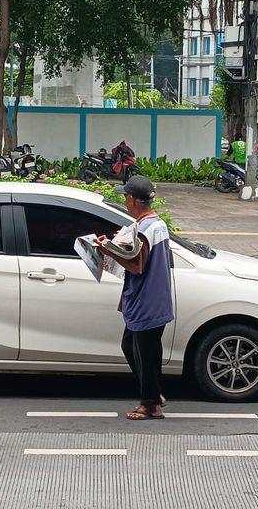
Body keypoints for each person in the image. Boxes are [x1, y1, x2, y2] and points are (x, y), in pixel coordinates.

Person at [98, 175, 174, 421]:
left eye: (126, 196)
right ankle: (154, 394)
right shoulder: (157, 224)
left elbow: (137, 265)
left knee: (145, 353)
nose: (125, 200)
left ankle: (150, 405)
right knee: (133, 347)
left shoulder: (144, 230)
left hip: (146, 302)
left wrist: (107, 249)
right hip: (156, 298)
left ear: (132, 200)